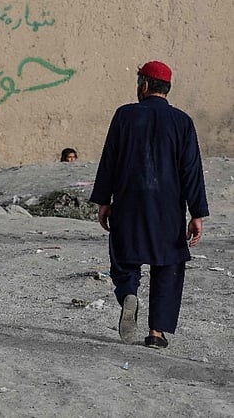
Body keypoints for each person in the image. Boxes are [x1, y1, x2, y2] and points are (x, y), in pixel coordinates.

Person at [89, 60, 208, 349]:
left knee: (123, 253)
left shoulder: (124, 116)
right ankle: (157, 332)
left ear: (144, 86)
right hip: (168, 205)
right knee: (168, 263)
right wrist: (197, 213)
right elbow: (191, 169)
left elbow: (110, 160)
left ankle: (129, 291)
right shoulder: (182, 122)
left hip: (129, 200)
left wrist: (104, 200)